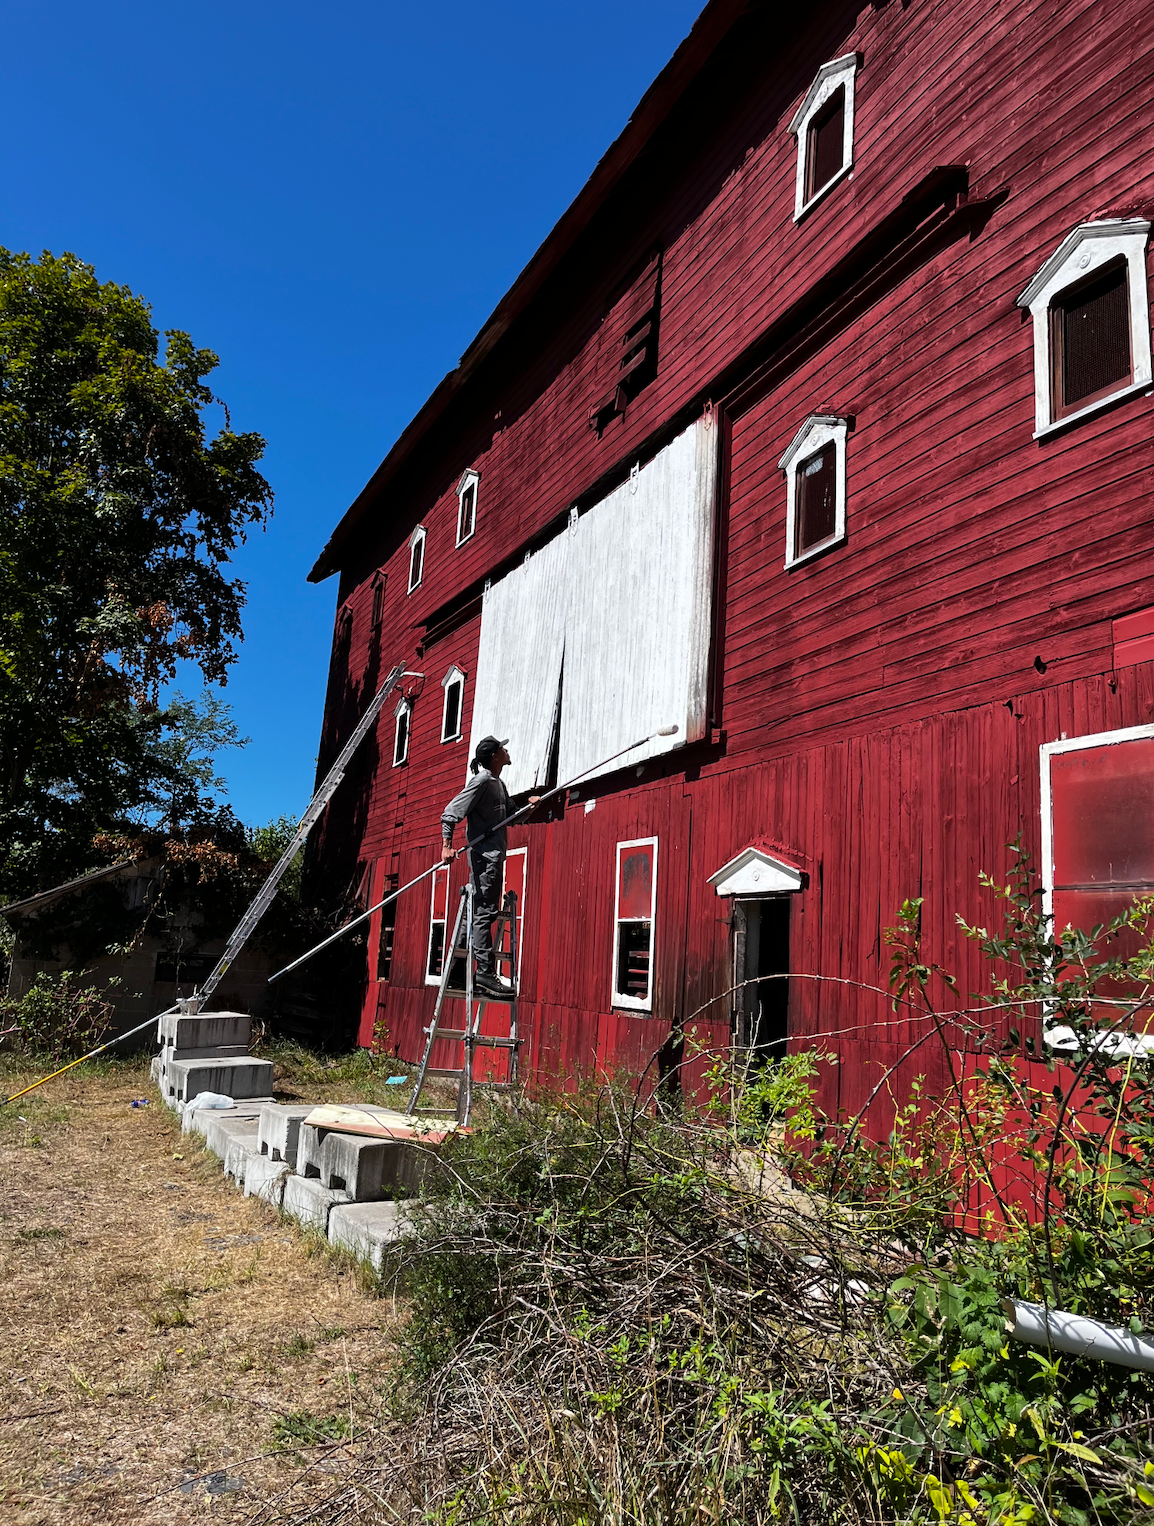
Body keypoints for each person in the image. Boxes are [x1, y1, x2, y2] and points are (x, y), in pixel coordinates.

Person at [440, 736, 537, 997]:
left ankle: (456, 974)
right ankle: (484, 973)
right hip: (486, 858)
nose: (507, 751)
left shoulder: (498, 784)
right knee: (484, 912)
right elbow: (451, 812)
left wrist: (529, 809)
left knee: (475, 909)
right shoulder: (482, 781)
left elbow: (510, 816)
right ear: (494, 756)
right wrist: (447, 846)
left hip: (492, 857)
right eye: (503, 749)